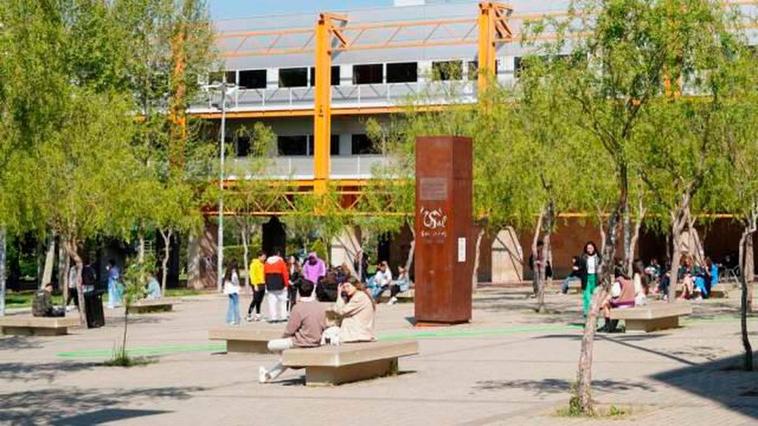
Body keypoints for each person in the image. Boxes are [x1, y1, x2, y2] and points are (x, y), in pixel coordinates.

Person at [258, 280, 326, 383]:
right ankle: (269, 376)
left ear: (299, 291)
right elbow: (324, 325)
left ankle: (279, 364)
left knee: (271, 344)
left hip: (300, 342)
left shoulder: (298, 307)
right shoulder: (320, 306)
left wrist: (282, 338)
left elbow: (290, 329)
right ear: (313, 291)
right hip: (316, 341)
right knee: (286, 357)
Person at [322, 279, 376, 344]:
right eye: (344, 287)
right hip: (357, 333)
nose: (346, 289)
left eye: (348, 286)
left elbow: (341, 311)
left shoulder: (359, 297)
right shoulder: (357, 296)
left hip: (357, 334)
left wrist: (339, 295)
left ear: (355, 286)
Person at [598, 267, 636, 333]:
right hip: (631, 303)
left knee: (606, 304)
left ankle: (607, 325)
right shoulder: (630, 280)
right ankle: (612, 325)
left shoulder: (619, 281)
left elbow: (614, 294)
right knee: (610, 303)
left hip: (622, 304)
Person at [264, 249, 290, 322]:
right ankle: (283, 316)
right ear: (278, 254)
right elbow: (285, 274)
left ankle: (273, 318)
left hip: (270, 284)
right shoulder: (281, 262)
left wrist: (266, 284)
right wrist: (286, 284)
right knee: (283, 301)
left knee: (272, 302)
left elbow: (264, 274)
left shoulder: (266, 263)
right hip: (280, 283)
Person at [578, 241, 602, 316]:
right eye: (588, 248)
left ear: (594, 248)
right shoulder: (583, 257)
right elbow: (580, 268)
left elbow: (602, 267)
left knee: (596, 296)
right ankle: (587, 313)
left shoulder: (598, 257)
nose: (590, 249)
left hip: (595, 277)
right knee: (587, 296)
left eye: (591, 247)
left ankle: (595, 313)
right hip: (586, 277)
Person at [247, 252, 266, 322]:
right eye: (263, 257)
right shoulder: (254, 264)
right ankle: (249, 314)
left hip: (262, 283)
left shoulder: (263, 264)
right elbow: (252, 275)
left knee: (260, 300)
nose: (264, 258)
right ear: (259, 256)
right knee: (255, 299)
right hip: (256, 283)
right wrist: (255, 285)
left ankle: (258, 314)